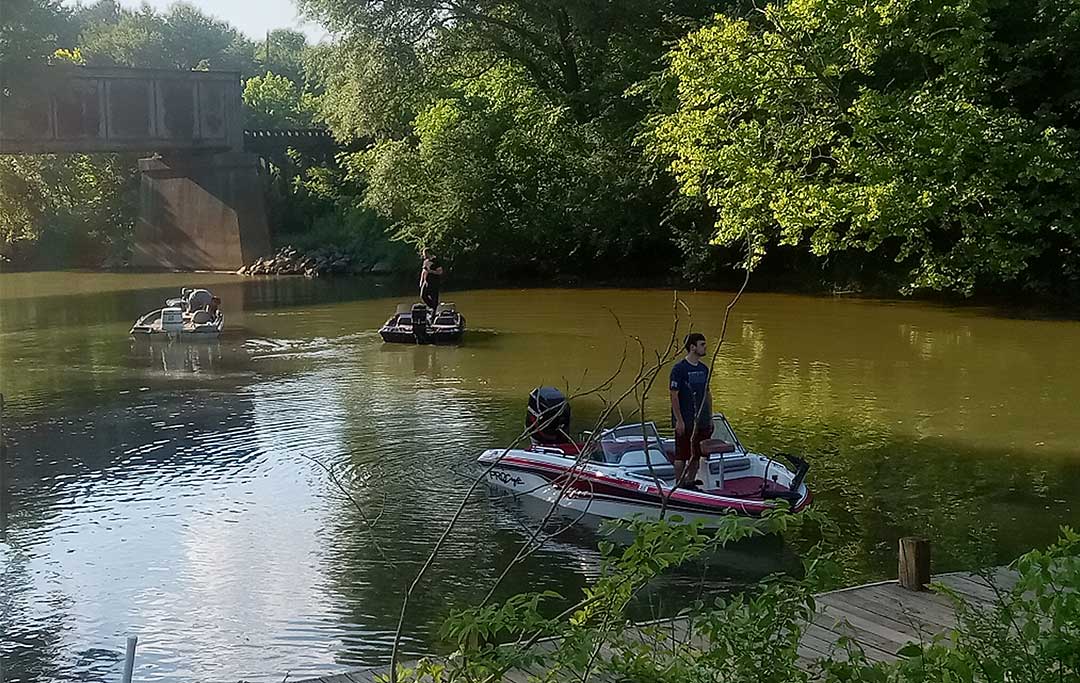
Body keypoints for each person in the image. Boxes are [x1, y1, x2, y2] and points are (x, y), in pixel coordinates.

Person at [669, 333, 714, 489]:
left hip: (701, 420)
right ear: (692, 347)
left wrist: (710, 417)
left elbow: (707, 393)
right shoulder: (679, 369)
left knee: (696, 454)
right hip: (686, 419)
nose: (705, 347)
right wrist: (679, 420)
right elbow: (674, 395)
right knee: (681, 454)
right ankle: (679, 484)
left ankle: (690, 482)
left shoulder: (704, 369)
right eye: (702, 344)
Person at [419, 247, 444, 321]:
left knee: (434, 298)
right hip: (426, 282)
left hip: (434, 283)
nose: (423, 256)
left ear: (428, 253)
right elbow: (423, 271)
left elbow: (440, 272)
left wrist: (431, 271)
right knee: (423, 296)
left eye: (424, 254)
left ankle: (433, 315)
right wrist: (421, 281)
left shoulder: (436, 261)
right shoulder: (425, 261)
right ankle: (432, 308)